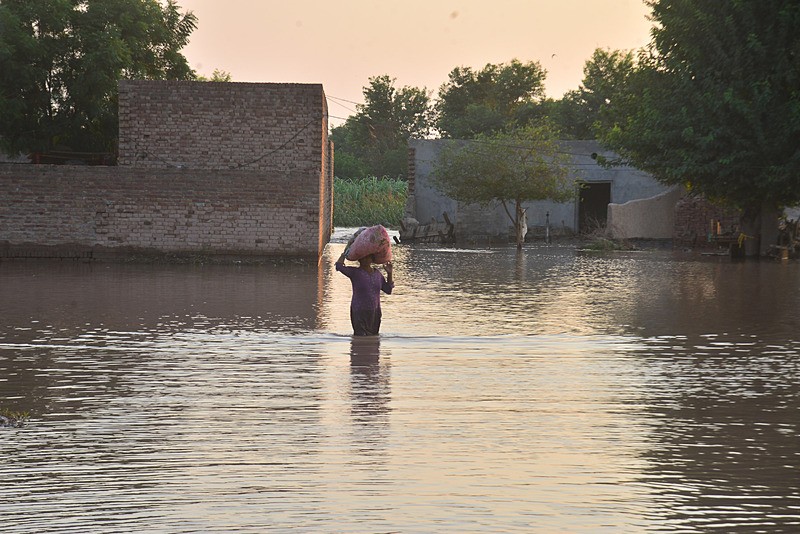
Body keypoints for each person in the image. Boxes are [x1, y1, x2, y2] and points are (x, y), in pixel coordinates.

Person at [336, 241, 394, 336]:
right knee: (359, 338)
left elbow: (388, 290)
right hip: (359, 310)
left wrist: (389, 273)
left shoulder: (377, 274)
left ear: (372, 259)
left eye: (368, 257)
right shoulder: (355, 273)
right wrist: (345, 252)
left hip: (375, 312)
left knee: (374, 341)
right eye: (363, 257)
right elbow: (339, 266)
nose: (366, 259)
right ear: (359, 259)